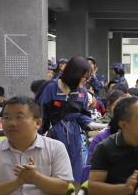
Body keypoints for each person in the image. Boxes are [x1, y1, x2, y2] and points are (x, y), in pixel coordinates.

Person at [36, 55, 94, 183]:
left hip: (74, 139)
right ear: (75, 74)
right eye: (85, 77)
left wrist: (90, 125)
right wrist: (37, 138)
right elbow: (39, 115)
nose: (86, 80)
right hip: (52, 137)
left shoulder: (82, 92)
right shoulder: (51, 88)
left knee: (75, 176)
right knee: (54, 176)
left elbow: (82, 115)